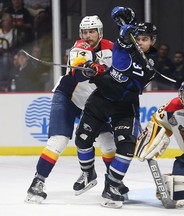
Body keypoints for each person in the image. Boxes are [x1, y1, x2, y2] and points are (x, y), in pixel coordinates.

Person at [72, 6, 158, 208]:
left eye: (145, 39)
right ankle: (88, 173)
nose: (140, 42)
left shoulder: (150, 66)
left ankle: (112, 184)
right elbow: (122, 46)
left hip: (124, 107)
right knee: (82, 140)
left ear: (153, 42)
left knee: (127, 147)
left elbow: (123, 87)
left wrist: (100, 76)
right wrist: (94, 71)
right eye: (138, 38)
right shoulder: (124, 44)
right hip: (100, 100)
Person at [25, 15, 116, 203]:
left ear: (100, 32)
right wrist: (89, 68)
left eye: (92, 31)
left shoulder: (112, 49)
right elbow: (77, 72)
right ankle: (38, 182)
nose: (88, 35)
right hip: (67, 97)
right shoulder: (79, 47)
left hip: (93, 102)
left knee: (108, 140)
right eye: (85, 31)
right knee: (58, 140)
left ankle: (112, 182)